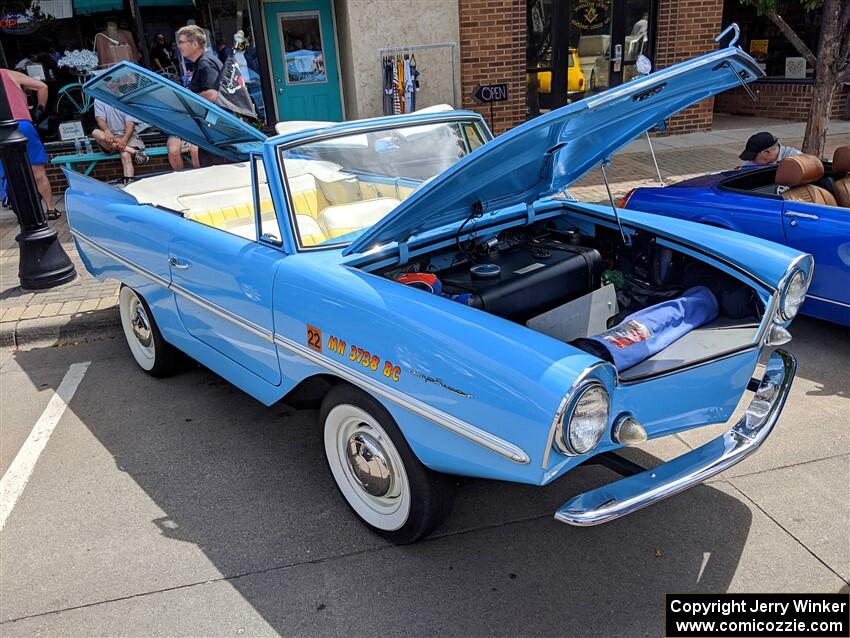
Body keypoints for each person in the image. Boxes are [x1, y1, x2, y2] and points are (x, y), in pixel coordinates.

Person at [0, 68, 59, 219]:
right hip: (22, 123)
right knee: (38, 171)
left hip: (1, 128)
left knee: (7, 172)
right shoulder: (10, 74)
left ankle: (17, 206)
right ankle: (51, 209)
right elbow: (42, 86)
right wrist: (39, 110)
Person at [169, 25, 228, 169]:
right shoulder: (204, 62)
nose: (179, 46)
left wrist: (187, 97)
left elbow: (213, 95)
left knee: (213, 166)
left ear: (195, 44)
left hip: (214, 128)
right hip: (212, 128)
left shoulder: (205, 64)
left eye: (182, 42)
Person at [91, 98, 149, 184]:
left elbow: (130, 124)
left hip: (129, 136)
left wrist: (124, 140)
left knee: (125, 155)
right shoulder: (99, 99)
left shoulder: (127, 97)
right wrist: (107, 131)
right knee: (95, 132)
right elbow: (100, 119)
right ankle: (135, 152)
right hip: (110, 136)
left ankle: (129, 182)